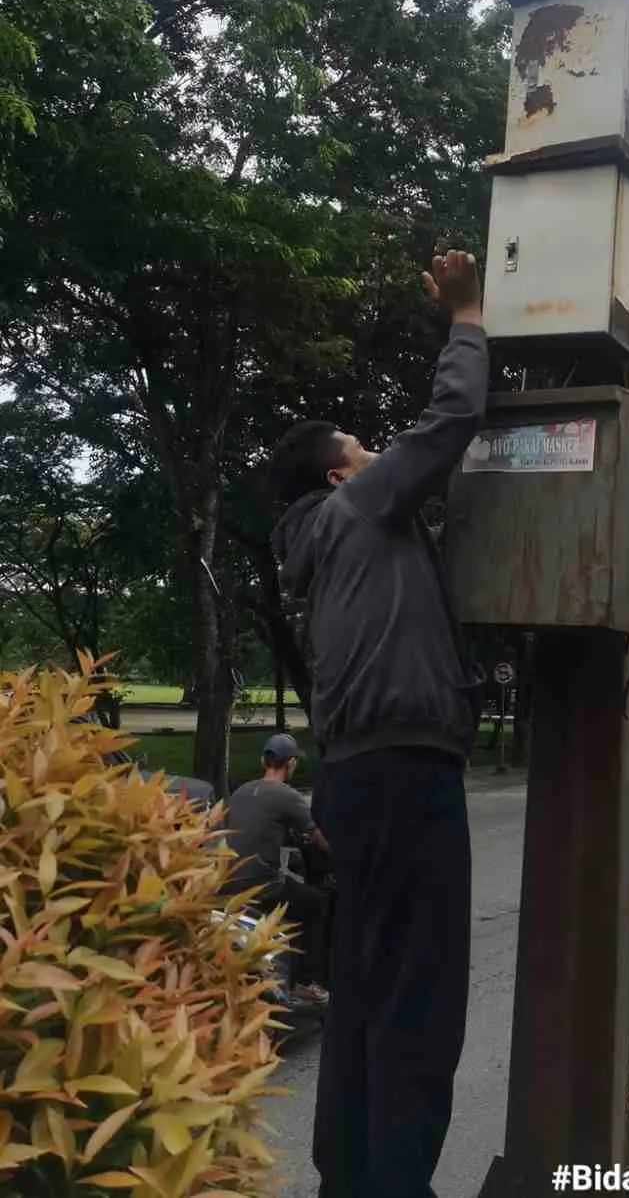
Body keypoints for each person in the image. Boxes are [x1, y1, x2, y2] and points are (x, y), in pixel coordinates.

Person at [265, 250, 488, 1198]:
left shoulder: (319, 551)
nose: (373, 451)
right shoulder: (358, 507)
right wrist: (468, 317)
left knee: (362, 989)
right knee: (420, 996)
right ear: (336, 468)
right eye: (361, 443)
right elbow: (448, 425)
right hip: (405, 778)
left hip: (357, 779)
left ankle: (349, 1178)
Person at [222, 731, 332, 1004]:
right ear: (291, 763)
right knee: (317, 904)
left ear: (263, 760)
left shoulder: (240, 792)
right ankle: (307, 982)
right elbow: (319, 837)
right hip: (262, 887)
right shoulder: (286, 795)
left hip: (226, 883)